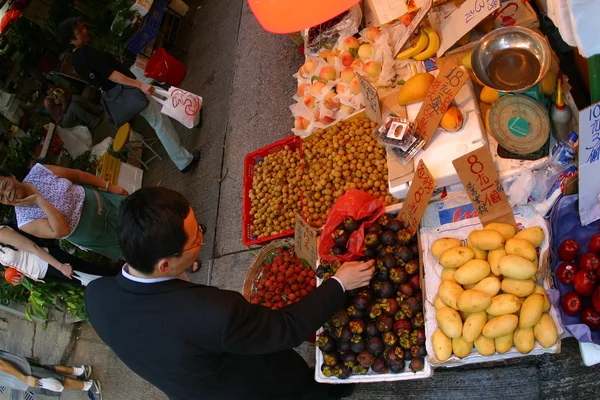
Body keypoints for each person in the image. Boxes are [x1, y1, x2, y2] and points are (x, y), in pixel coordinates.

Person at [85, 187, 375, 400]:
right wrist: (338, 284)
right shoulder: (213, 313)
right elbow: (285, 329)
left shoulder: (96, 297)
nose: (202, 235)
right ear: (164, 264)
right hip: (257, 388)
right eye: (196, 236)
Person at [57, 17, 200, 174]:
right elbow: (112, 75)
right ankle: (184, 160)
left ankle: (193, 118)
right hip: (127, 89)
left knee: (158, 114)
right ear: (70, 41)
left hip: (120, 97)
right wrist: (140, 85)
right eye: (79, 31)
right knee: (159, 121)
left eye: (83, 27)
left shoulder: (76, 60)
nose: (85, 31)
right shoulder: (87, 53)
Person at [0, 164, 127, 261]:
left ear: (11, 176)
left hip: (106, 202)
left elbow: (78, 176)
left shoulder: (39, 172)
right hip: (97, 234)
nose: (8, 194)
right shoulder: (24, 221)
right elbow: (62, 231)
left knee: (144, 212)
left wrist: (108, 186)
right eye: (1, 197)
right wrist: (39, 201)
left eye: (5, 185)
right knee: (138, 247)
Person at [0, 224, 117, 286]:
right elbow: (18, 261)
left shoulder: (1, 233)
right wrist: (21, 277)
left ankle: (129, 280)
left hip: (49, 262)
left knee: (94, 276)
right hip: (42, 273)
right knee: (88, 282)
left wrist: (60, 267)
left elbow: (33, 247)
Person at [0, 349, 101, 399]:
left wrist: (24, 378)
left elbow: (1, 364)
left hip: (19, 374)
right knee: (48, 370)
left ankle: (90, 386)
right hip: (18, 366)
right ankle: (82, 371)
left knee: (54, 381)